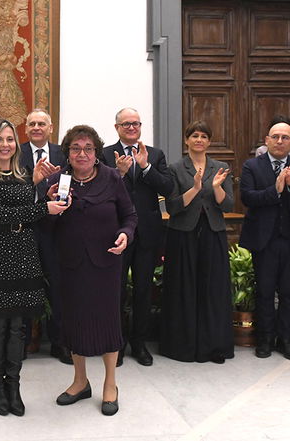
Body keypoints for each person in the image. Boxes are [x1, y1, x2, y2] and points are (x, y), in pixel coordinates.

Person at [0, 119, 66, 416]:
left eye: (10, 139)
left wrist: (41, 194)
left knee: (18, 328)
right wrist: (41, 208)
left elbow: (19, 205)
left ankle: (15, 387)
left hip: (22, 254)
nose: (6, 145)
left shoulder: (24, 172)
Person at [49, 125, 137, 416]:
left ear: (97, 152)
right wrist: (49, 206)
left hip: (106, 263)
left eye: (88, 148)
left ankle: (110, 383)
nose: (82, 153)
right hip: (72, 264)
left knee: (107, 320)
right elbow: (45, 225)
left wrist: (125, 233)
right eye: (76, 148)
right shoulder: (58, 181)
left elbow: (129, 215)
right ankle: (80, 381)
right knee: (74, 321)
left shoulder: (112, 178)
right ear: (68, 153)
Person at [239, 121, 290, 361]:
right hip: (264, 241)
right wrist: (276, 189)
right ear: (267, 140)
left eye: (285, 137)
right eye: (276, 136)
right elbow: (248, 198)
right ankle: (264, 340)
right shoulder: (252, 165)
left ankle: (286, 340)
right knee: (264, 292)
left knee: (289, 293)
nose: (280, 141)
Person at [160, 120, 234, 363]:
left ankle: (213, 347)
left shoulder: (221, 167)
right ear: (186, 140)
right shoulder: (175, 168)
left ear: (209, 141)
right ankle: (184, 347)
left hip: (213, 233)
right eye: (194, 135)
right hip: (183, 234)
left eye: (204, 136)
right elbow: (172, 206)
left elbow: (228, 204)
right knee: (184, 288)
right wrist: (195, 188)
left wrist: (215, 188)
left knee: (212, 289)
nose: (199, 140)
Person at [103, 107, 173, 367]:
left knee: (144, 289)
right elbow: (99, 189)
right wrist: (118, 174)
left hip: (147, 232)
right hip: (116, 232)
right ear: (117, 127)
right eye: (126, 124)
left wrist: (145, 167)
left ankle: (139, 344)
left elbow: (167, 187)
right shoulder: (105, 154)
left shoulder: (155, 154)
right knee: (117, 290)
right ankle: (116, 344)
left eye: (136, 123)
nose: (131, 128)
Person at [19, 109, 71, 364]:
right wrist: (37, 191)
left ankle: (58, 343)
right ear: (26, 129)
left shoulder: (64, 153)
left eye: (42, 123)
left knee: (58, 288)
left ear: (51, 127)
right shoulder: (15, 153)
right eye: (32, 124)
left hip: (57, 230)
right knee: (26, 285)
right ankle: (26, 340)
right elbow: (11, 188)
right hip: (25, 228)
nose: (37, 127)